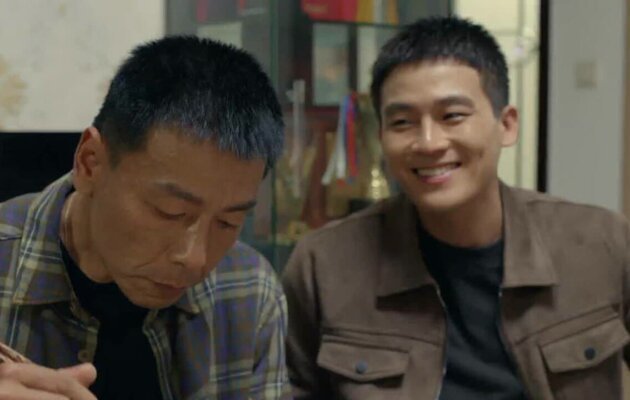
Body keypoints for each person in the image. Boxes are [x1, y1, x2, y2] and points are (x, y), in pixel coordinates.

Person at [282, 16, 630, 400]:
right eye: (402, 122)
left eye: (452, 116)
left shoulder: (602, 245)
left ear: (507, 124)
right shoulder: (324, 266)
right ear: (381, 136)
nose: (429, 142)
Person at [0, 36, 291, 400]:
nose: (195, 259)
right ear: (90, 163)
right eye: (170, 212)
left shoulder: (248, 291)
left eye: (228, 223)